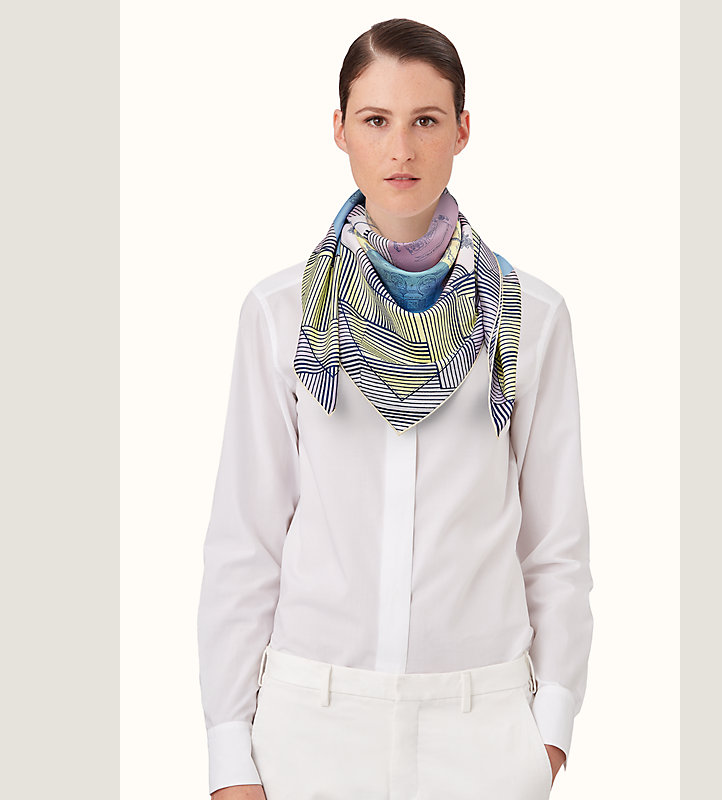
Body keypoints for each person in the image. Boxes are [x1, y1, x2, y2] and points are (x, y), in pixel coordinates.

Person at [197, 17, 593, 800]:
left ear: (463, 130)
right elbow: (246, 539)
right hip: (309, 725)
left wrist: (548, 732)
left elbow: (556, 543)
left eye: (426, 121)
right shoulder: (282, 314)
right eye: (376, 120)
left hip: (484, 728)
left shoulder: (529, 315)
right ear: (340, 129)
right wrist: (228, 752)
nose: (401, 149)